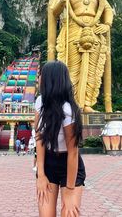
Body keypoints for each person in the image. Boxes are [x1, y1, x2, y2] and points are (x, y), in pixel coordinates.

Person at [47, 0, 114, 113]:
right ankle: (72, 103)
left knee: (93, 69)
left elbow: (108, 9)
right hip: (74, 31)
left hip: (94, 31)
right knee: (72, 69)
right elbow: (53, 11)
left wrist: (107, 25)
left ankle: (87, 104)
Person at [35, 61, 85, 217]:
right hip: (48, 163)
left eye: (41, 74)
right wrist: (41, 175)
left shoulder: (67, 110)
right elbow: (39, 138)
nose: (39, 77)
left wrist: (69, 192)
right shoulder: (40, 102)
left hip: (69, 166)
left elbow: (73, 153)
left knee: (69, 212)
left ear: (51, 79)